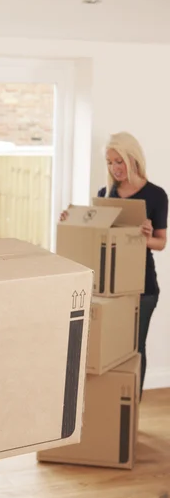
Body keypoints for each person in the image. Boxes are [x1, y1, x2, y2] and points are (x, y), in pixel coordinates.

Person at [61, 131, 168, 398]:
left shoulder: (155, 195)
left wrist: (144, 236)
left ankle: (132, 405)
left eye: (119, 161)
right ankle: (108, 403)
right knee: (108, 348)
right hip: (109, 287)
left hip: (142, 288)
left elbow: (161, 243)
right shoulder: (106, 194)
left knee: (135, 348)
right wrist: (71, 218)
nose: (114, 168)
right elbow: (96, 236)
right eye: (110, 162)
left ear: (133, 159)